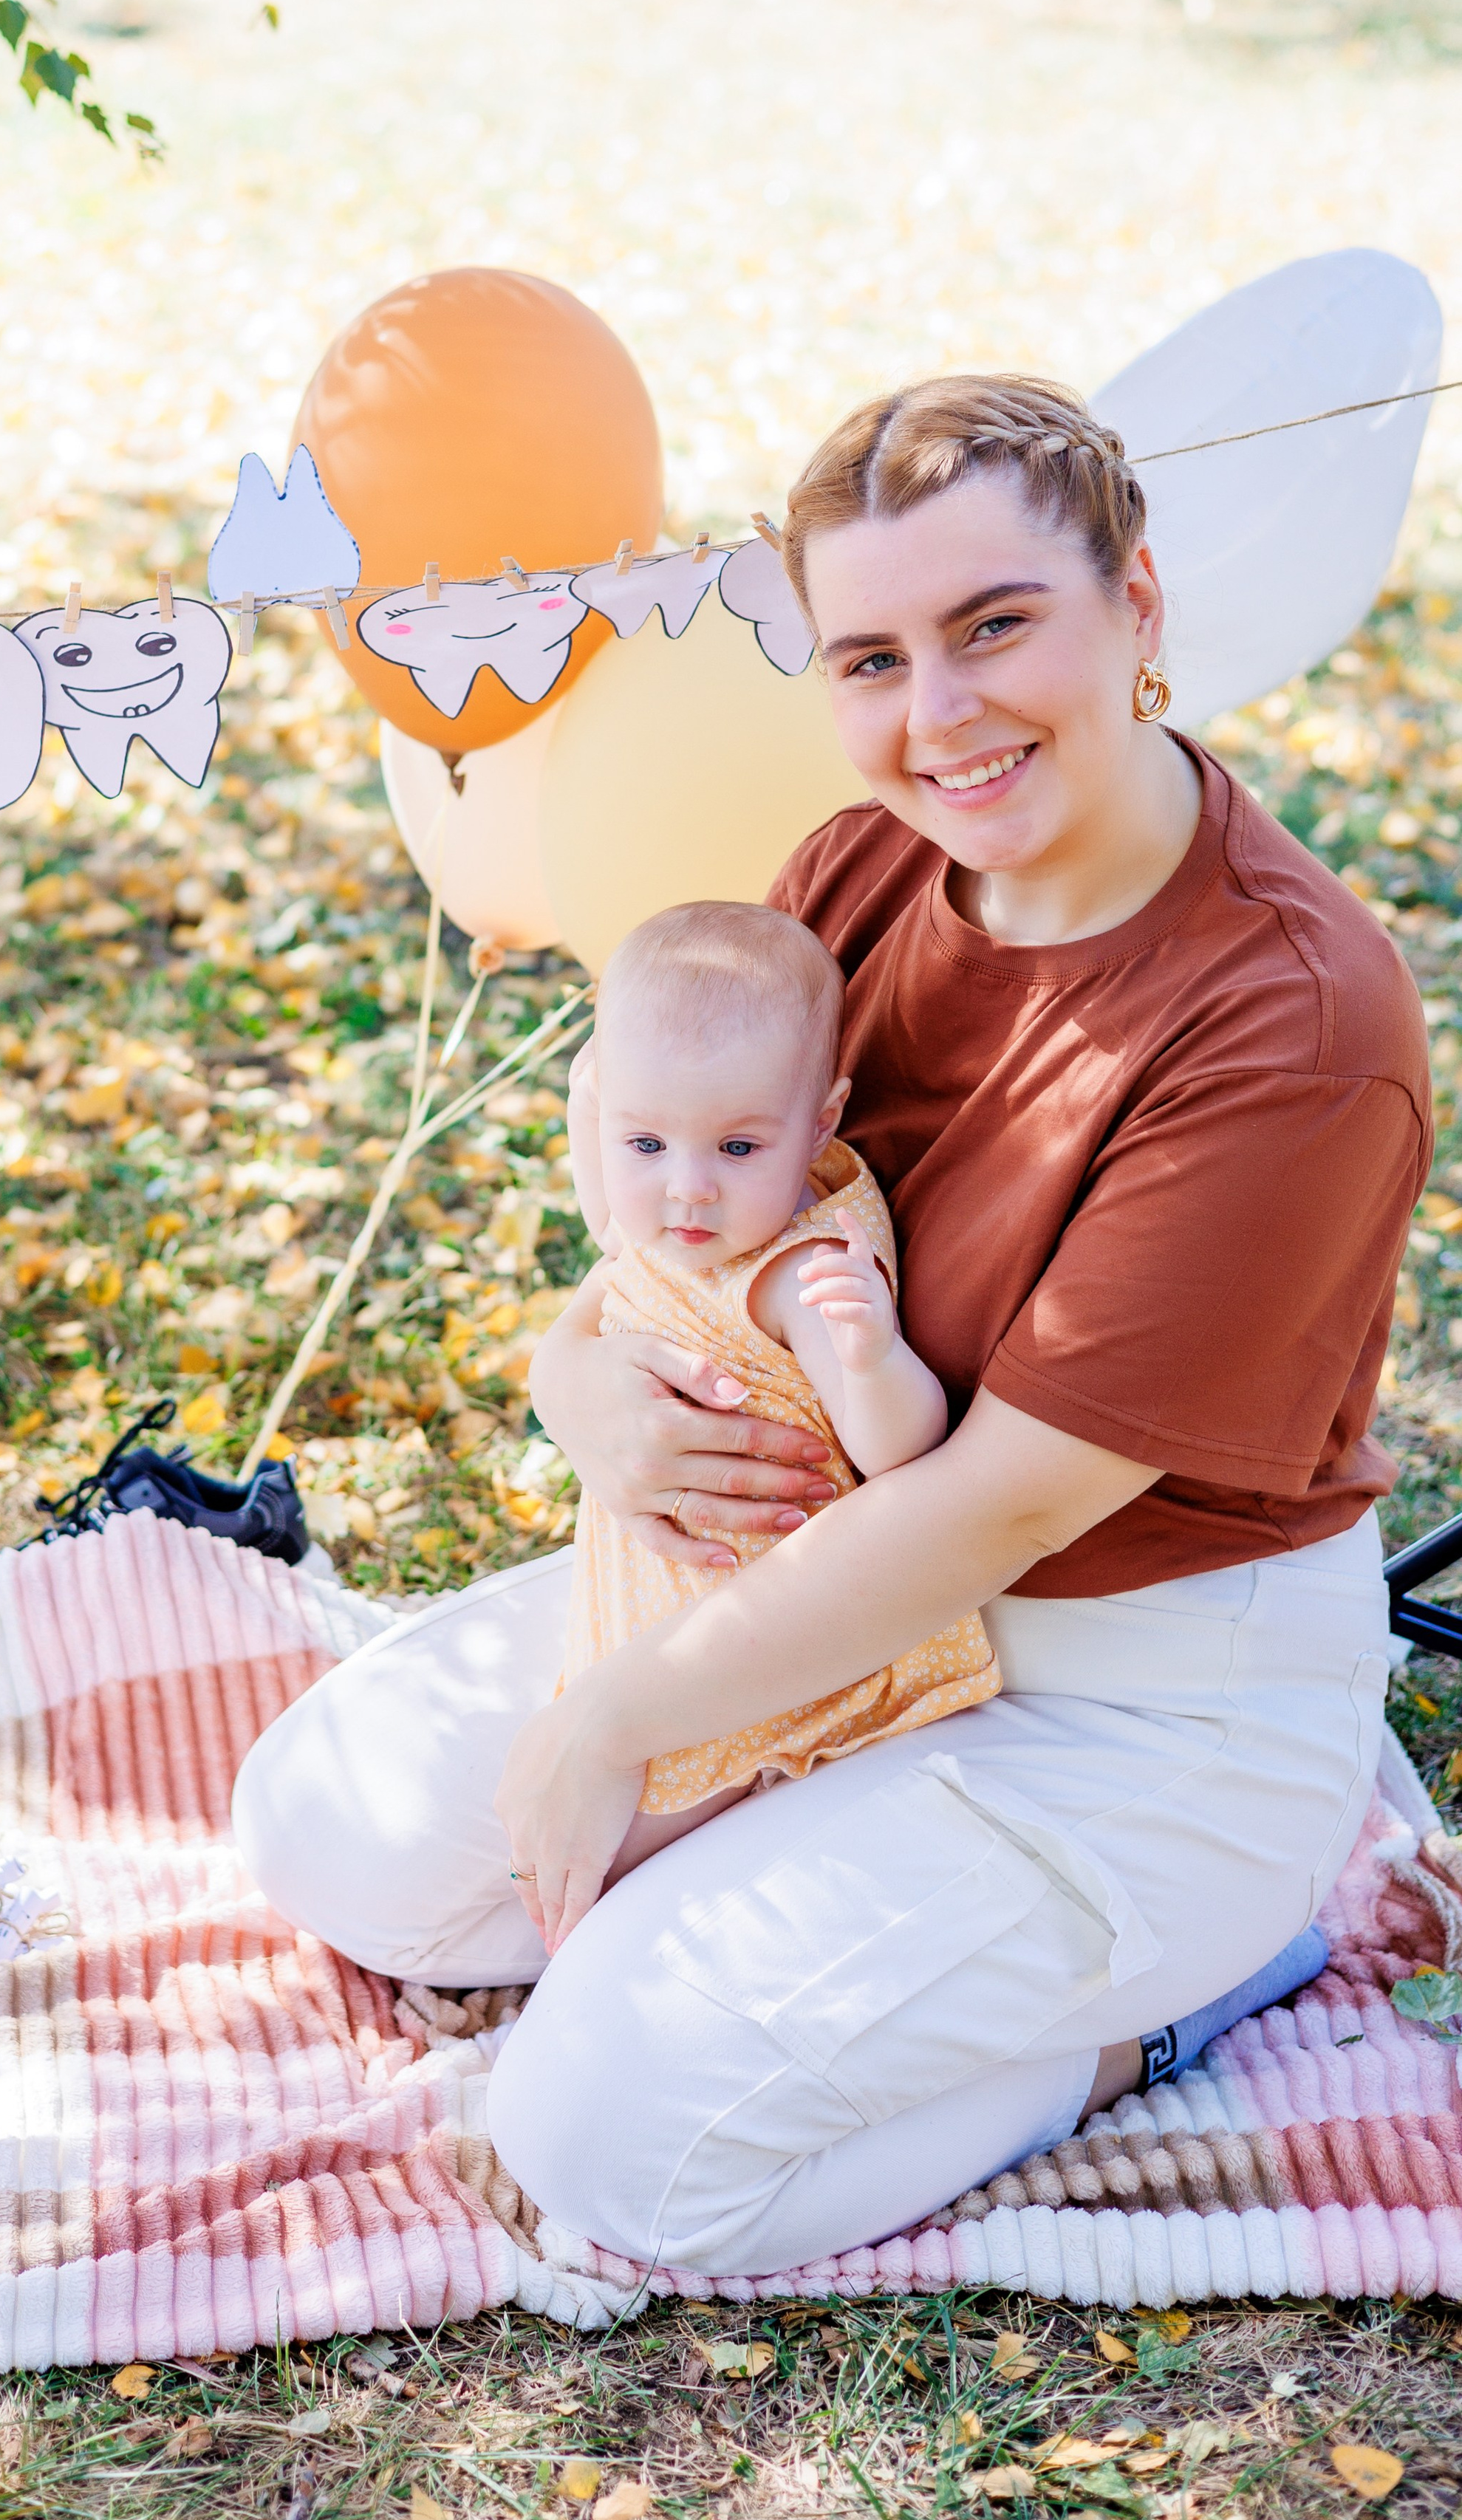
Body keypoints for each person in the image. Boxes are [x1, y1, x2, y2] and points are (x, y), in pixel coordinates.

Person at [233, 373, 1429, 2276]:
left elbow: (994, 1513)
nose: (933, 716)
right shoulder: (863, 870)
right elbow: (695, 1208)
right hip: (813, 1598)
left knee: (608, 2142)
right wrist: (577, 1383)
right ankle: (815, 1873)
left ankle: (1179, 1996)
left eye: (992, 626)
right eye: (867, 656)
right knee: (325, 1831)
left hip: (1131, 1697)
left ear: (1135, 602)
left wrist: (624, 1711)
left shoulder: (1286, 1017)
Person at [557, 896, 997, 1908]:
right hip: (653, 1611)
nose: (687, 1193)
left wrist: (875, 1354)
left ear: (824, 1122)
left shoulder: (804, 1270)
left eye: (738, 1150)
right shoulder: (668, 1214)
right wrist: (599, 1105)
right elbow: (611, 1218)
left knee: (628, 1859)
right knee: (590, 1829)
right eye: (646, 1145)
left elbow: (901, 1450)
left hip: (770, 1641)